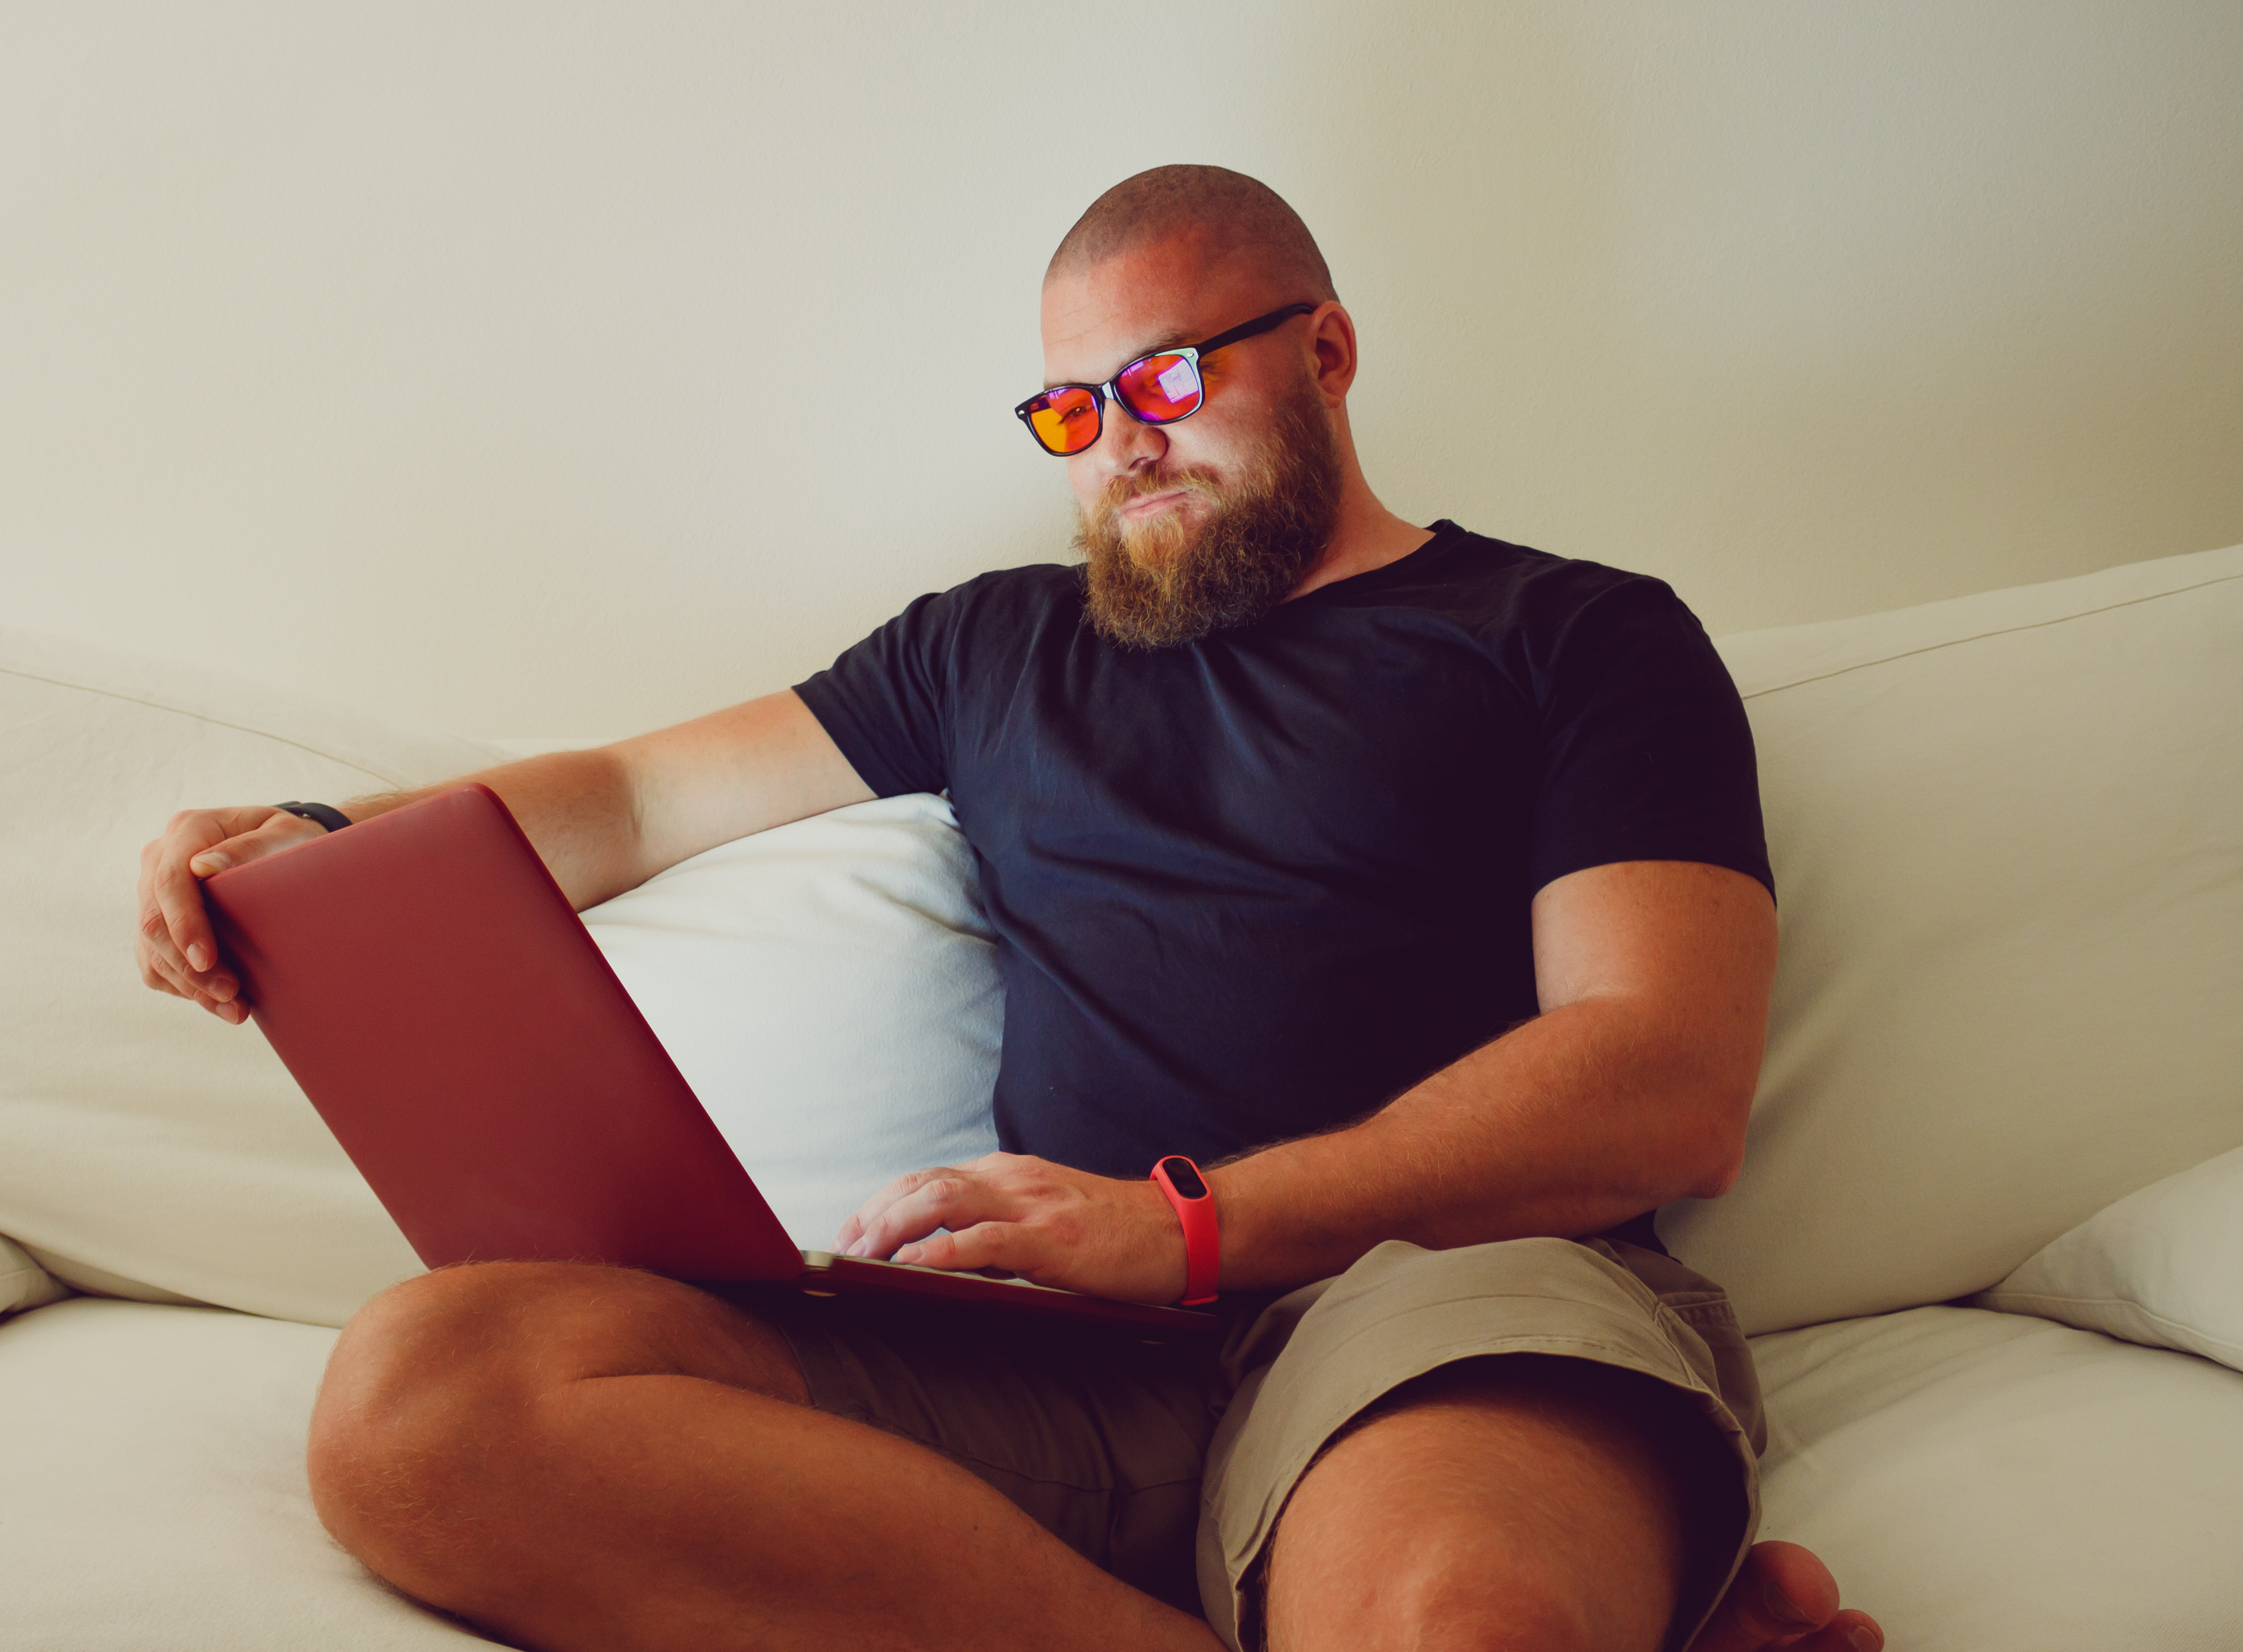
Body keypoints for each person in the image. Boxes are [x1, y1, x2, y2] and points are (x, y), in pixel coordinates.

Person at [135, 166, 1884, 1652]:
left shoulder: (1577, 637)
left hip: (1430, 1308)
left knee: (1455, 1623)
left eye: (1170, 382)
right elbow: (636, 795)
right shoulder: (992, 646)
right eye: (1073, 410)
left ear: (1329, 353)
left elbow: (1664, 1077)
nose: (1120, 445)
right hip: (1057, 1359)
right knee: (427, 1403)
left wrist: (1186, 1224)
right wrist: (316, 834)